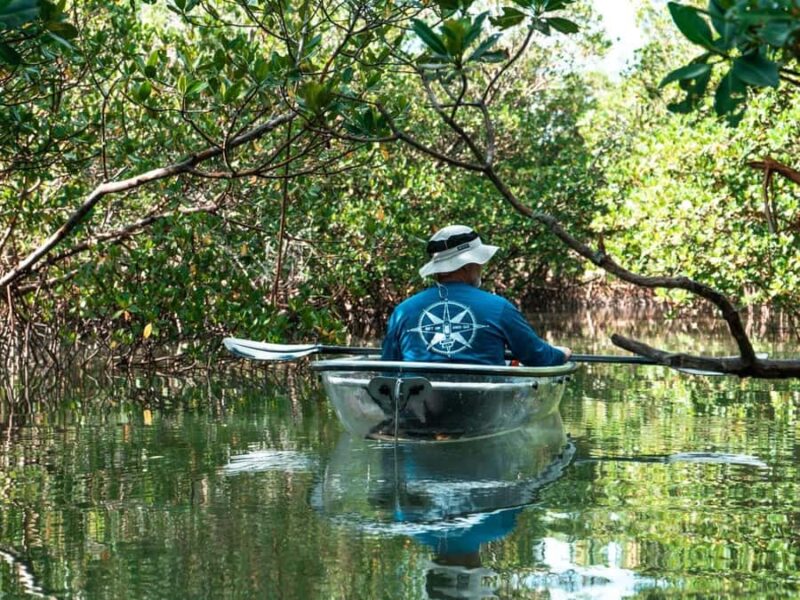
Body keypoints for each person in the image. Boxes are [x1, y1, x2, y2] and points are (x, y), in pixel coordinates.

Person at [381, 225, 572, 366]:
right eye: (479, 261)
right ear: (467, 265)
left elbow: (387, 367)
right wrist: (562, 353)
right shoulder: (499, 308)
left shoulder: (403, 311)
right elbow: (538, 357)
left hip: (420, 410)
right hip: (484, 406)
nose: (481, 266)